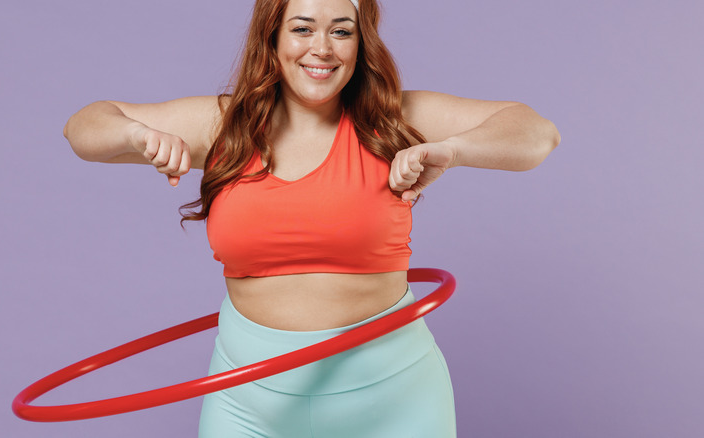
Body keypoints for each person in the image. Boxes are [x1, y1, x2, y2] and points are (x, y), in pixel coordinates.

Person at [63, 0, 560, 436]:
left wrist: (454, 149)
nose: (322, 47)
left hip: (392, 401)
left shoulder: (394, 119)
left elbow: (537, 135)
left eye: (341, 30)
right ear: (273, 36)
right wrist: (136, 137)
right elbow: (83, 127)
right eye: (302, 28)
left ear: (360, 42)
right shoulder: (223, 124)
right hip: (249, 403)